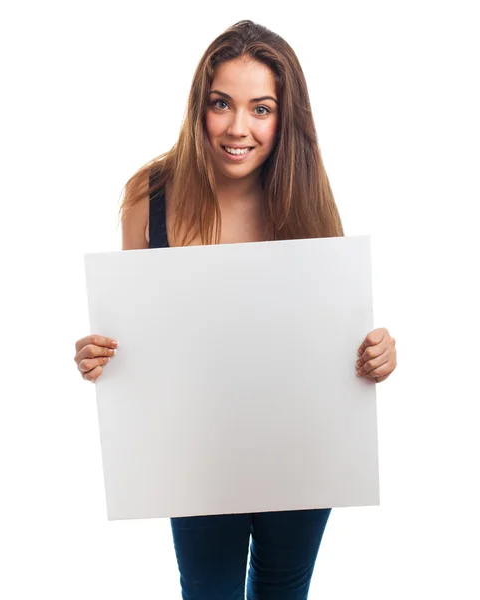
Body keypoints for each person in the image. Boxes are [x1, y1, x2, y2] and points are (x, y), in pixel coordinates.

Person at [73, 19, 397, 600]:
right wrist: (102, 357)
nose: (238, 128)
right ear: (199, 107)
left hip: (298, 441)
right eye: (222, 104)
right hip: (197, 448)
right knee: (208, 591)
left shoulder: (303, 200)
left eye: (262, 108)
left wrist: (376, 355)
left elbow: (333, 331)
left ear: (284, 118)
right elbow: (136, 338)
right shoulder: (151, 198)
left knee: (282, 590)